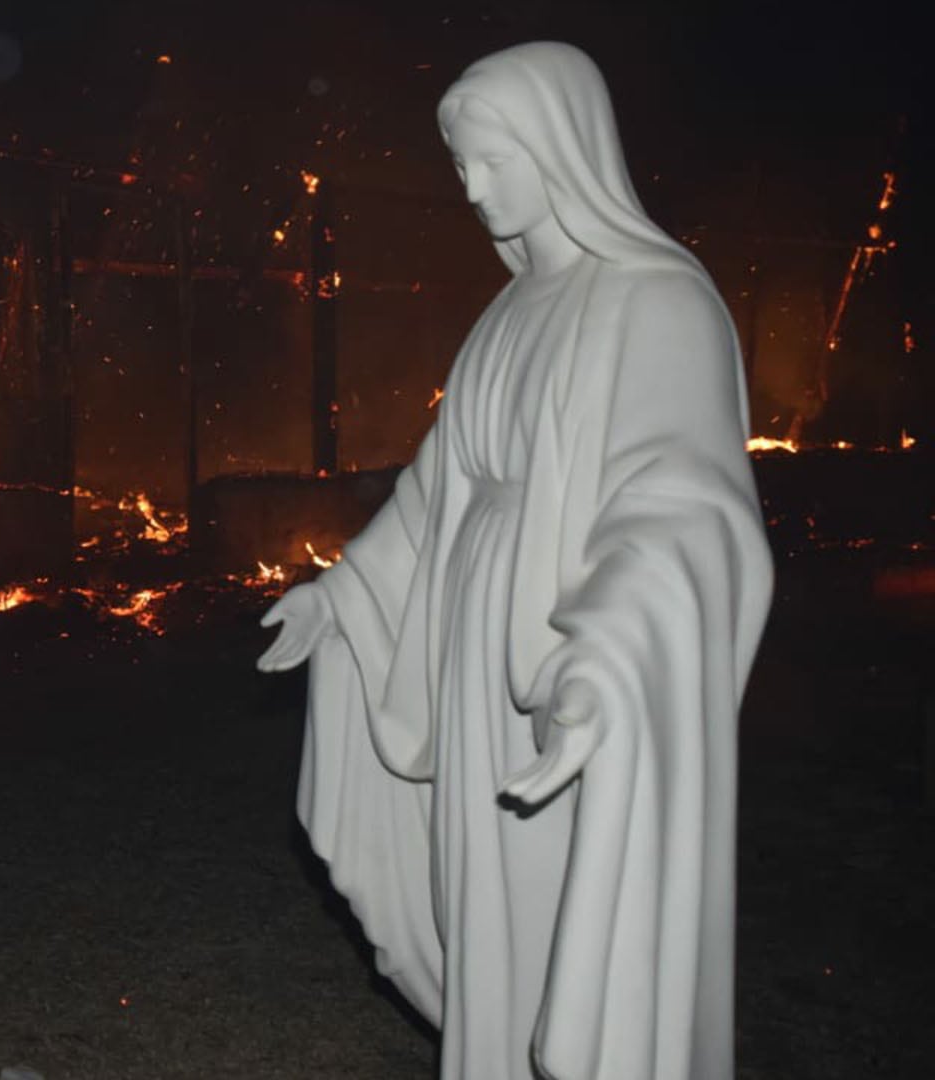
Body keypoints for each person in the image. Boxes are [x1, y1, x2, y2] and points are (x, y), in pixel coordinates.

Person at [257, 41, 773, 1080]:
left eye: (492, 157)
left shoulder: (656, 303)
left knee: (560, 910)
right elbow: (439, 490)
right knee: (481, 907)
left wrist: (605, 661)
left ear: (562, 146)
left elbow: (680, 508)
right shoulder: (506, 314)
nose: (474, 187)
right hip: (469, 647)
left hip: (558, 654)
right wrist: (346, 597)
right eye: (460, 166)